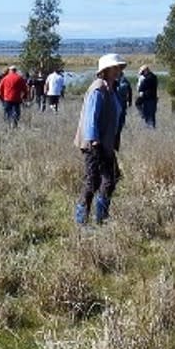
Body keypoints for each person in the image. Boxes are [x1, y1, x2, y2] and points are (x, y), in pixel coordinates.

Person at [73, 54, 127, 225]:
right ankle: (84, 222)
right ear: (106, 70)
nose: (119, 70)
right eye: (115, 67)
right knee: (95, 182)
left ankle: (101, 218)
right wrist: (95, 142)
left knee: (110, 178)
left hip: (106, 143)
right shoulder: (98, 89)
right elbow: (91, 117)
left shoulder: (112, 89)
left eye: (119, 67)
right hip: (95, 144)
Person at [136, 64, 159, 128]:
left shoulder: (148, 78)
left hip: (149, 99)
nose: (142, 74)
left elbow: (140, 88)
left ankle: (150, 129)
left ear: (146, 70)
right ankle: (150, 128)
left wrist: (140, 81)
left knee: (149, 115)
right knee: (150, 115)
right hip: (151, 99)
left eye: (143, 72)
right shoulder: (154, 77)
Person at [115, 71, 133, 141]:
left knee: (121, 117)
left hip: (122, 103)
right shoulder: (115, 81)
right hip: (117, 103)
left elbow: (130, 92)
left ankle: (121, 128)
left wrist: (130, 101)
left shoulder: (125, 81)